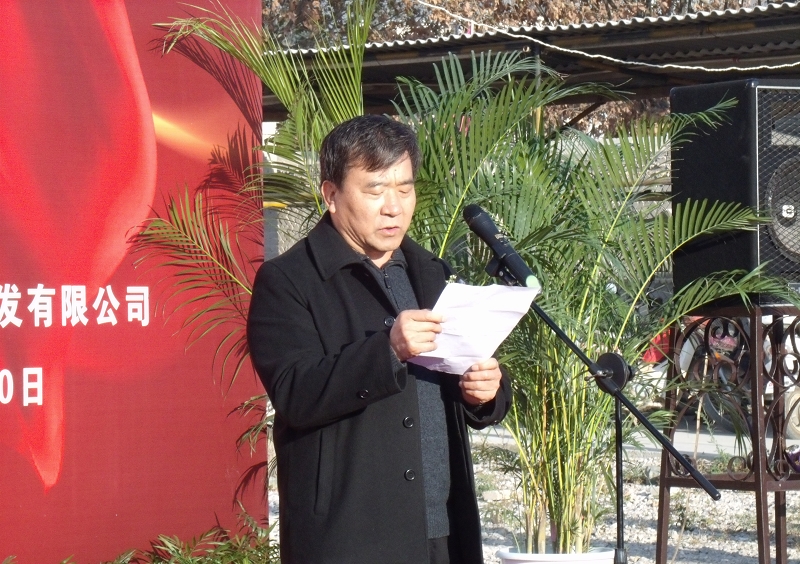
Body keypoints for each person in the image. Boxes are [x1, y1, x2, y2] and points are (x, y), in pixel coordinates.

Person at [247, 114, 512, 564]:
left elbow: (464, 376)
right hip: (351, 537)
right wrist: (388, 350)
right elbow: (295, 392)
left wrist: (484, 392)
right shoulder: (289, 281)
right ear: (331, 195)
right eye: (375, 190)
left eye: (404, 189)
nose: (394, 207)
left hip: (442, 528)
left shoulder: (430, 272)